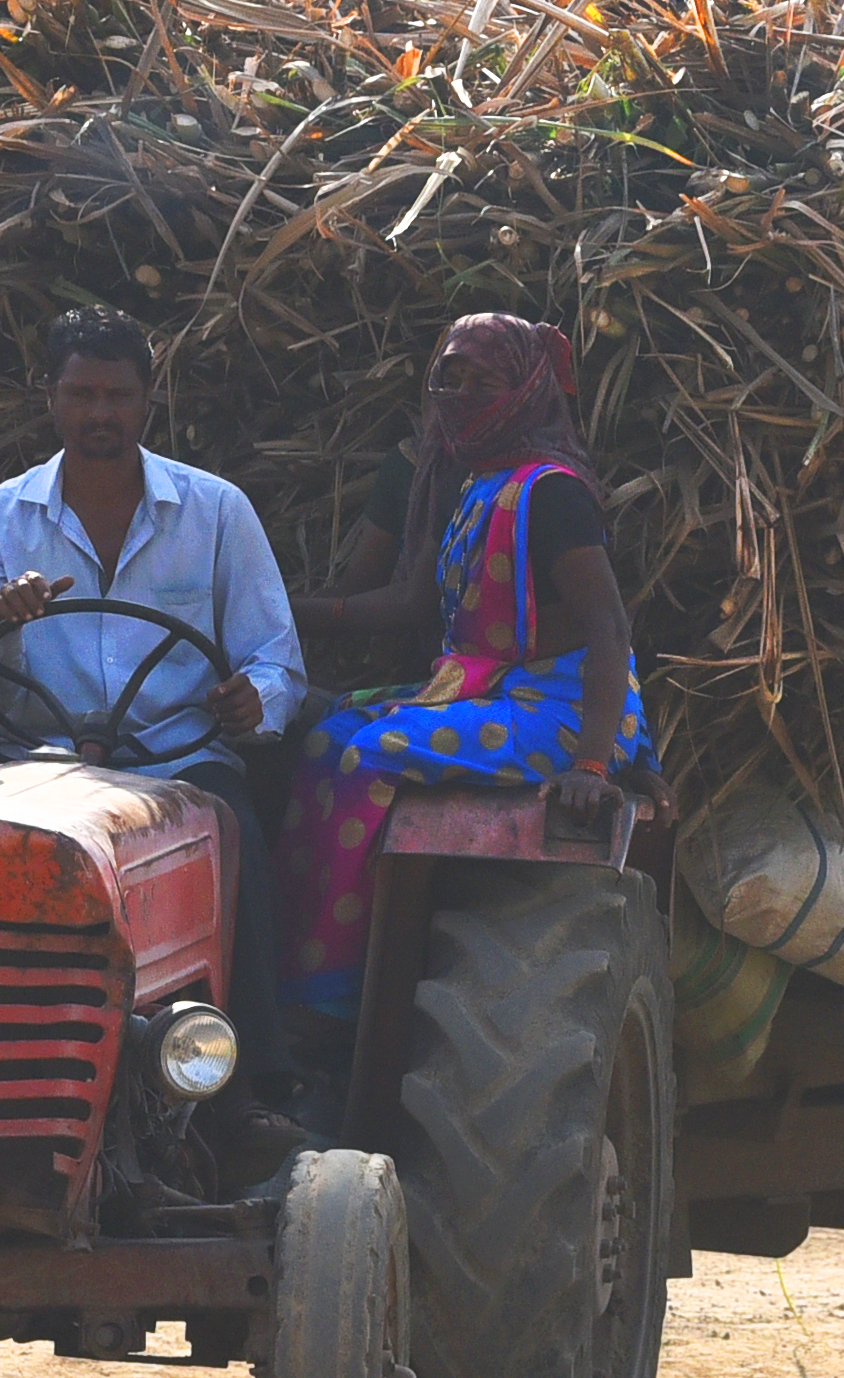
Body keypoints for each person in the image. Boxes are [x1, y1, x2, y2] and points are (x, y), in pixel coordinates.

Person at [0, 306, 311, 1170]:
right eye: (81, 394)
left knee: (234, 835)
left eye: (116, 395)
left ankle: (247, 1084)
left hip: (177, 762)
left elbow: (275, 658)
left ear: (148, 401)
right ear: (50, 399)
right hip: (33, 767)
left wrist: (252, 701)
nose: (98, 413)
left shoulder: (216, 511)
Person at [280, 316, 660, 1031]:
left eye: (482, 380)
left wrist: (594, 763)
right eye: (448, 375)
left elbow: (610, 631)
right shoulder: (478, 482)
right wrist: (276, 607)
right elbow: (409, 602)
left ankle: (338, 997)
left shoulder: (551, 494)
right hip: (487, 690)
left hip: (559, 710)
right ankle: (298, 967)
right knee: (324, 736)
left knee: (368, 757)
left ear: (525, 390)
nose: (458, 393)